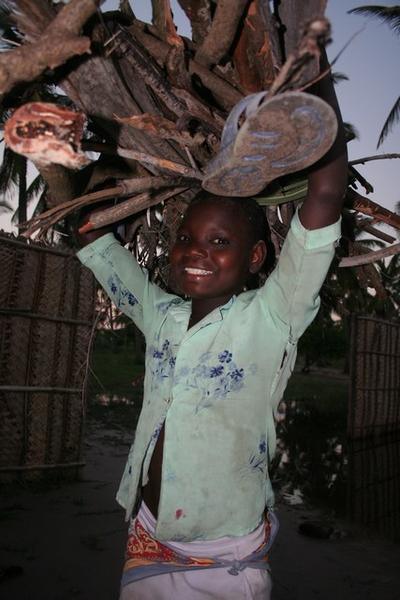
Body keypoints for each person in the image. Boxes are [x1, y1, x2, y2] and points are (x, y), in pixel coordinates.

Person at [76, 58, 347, 600]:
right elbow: (91, 243)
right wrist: (68, 157)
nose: (196, 251)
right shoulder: (161, 315)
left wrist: (313, 83)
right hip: (146, 536)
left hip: (226, 561)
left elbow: (324, 195)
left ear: (255, 257)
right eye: (186, 239)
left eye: (219, 242)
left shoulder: (273, 315)